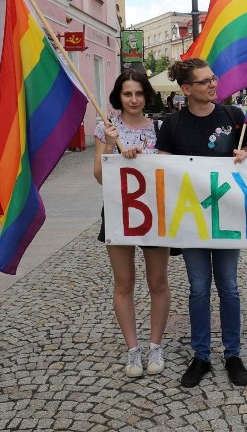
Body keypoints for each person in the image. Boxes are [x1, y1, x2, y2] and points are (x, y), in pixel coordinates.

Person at [155, 58, 247, 389]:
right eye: (204, 81)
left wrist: (245, 157)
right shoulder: (172, 125)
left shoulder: (233, 116)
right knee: (199, 287)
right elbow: (164, 169)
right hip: (192, 222)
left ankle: (233, 354)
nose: (213, 84)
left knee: (228, 285)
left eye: (214, 78)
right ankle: (201, 356)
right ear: (186, 90)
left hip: (227, 218)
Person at [93, 69, 169, 378]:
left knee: (158, 282)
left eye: (139, 93)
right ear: (118, 97)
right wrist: (112, 147)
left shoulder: (162, 128)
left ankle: (155, 345)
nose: (134, 99)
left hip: (154, 211)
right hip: (119, 211)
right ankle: (132, 349)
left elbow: (170, 169)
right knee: (124, 282)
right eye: (128, 94)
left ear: (146, 95)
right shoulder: (106, 128)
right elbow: (100, 175)